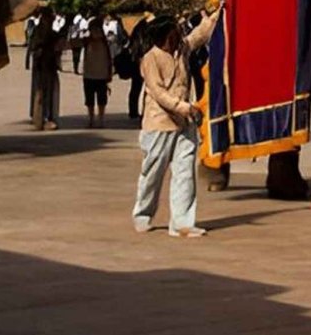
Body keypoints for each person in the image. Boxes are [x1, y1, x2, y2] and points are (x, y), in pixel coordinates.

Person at [133, 13, 216, 237]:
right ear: (164, 35)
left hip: (184, 124)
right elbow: (158, 92)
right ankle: (143, 214)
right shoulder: (151, 58)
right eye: (174, 33)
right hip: (159, 123)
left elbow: (198, 36)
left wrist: (215, 15)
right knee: (153, 173)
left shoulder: (182, 50)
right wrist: (182, 107)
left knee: (185, 172)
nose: (179, 36)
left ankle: (182, 223)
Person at [80, 16, 114, 127]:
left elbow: (109, 60)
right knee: (89, 99)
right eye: (93, 30)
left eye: (97, 29)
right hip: (89, 74)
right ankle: (91, 119)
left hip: (101, 75)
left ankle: (100, 119)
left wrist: (109, 74)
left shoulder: (105, 44)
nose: (95, 32)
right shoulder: (86, 42)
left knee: (101, 99)